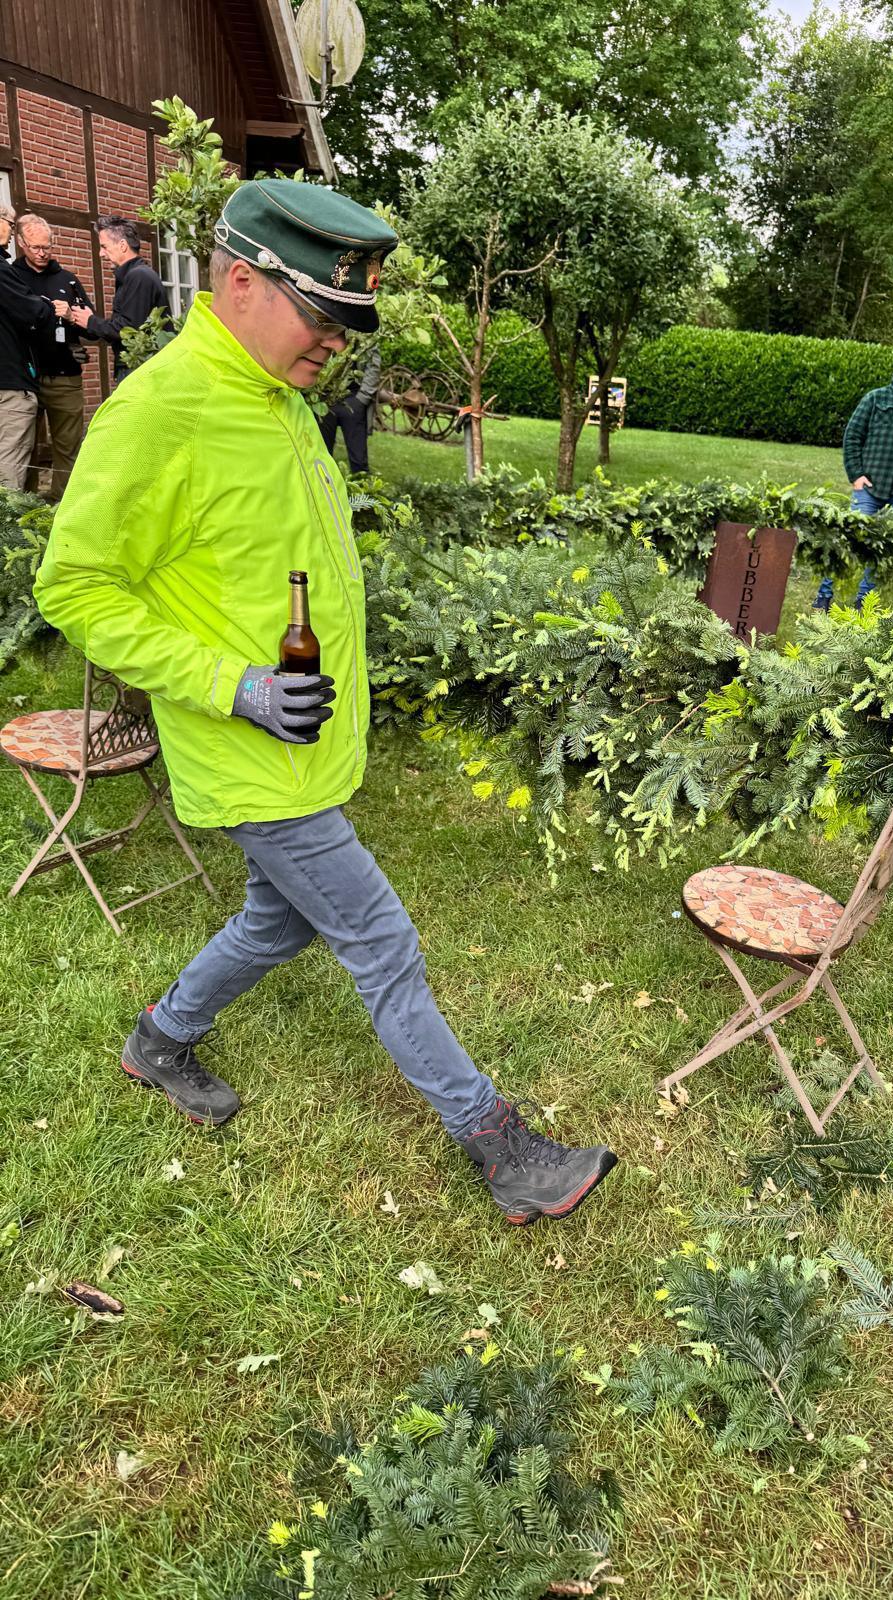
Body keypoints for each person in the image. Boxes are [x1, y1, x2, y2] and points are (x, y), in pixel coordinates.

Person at [34, 178, 617, 1228]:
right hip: (248, 752)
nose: (337, 345)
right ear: (243, 280)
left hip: (308, 743)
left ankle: (160, 1035)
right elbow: (73, 586)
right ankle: (503, 1150)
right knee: (381, 940)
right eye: (324, 317)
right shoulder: (159, 412)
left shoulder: (280, 394)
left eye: (350, 325)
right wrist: (238, 686)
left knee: (278, 919)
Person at [814, 346, 893, 612]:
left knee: (881, 549)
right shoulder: (875, 399)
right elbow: (852, 437)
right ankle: (824, 596)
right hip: (868, 488)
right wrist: (856, 475)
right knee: (849, 542)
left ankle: (864, 601)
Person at [10, 214, 94, 498]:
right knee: (25, 449)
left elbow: (92, 328)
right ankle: (27, 512)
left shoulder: (67, 280)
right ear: (21, 243)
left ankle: (62, 509)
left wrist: (71, 316)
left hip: (65, 378)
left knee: (68, 448)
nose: (43, 253)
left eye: (48, 246)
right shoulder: (10, 276)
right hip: (25, 381)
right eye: (36, 247)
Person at [0, 203, 70, 492]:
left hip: (42, 377)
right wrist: (49, 308)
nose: (10, 228)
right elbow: (34, 314)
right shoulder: (4, 271)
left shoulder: (65, 278)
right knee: (9, 473)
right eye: (10, 222)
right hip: (10, 385)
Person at [68, 215, 170, 385]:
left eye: (104, 247)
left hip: (140, 370)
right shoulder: (134, 276)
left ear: (122, 245)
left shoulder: (139, 277)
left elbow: (128, 330)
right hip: (137, 368)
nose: (101, 253)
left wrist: (91, 322)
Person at [317, 339, 381, 475]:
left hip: (353, 400)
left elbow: (373, 369)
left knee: (358, 457)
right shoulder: (329, 331)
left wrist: (361, 400)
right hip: (326, 401)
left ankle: (362, 491)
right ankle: (321, 489)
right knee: (322, 452)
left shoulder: (367, 337)